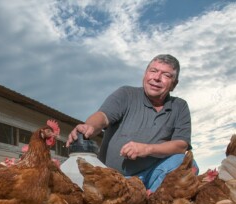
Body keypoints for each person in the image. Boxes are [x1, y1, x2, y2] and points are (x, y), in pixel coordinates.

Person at [66, 54, 198, 192]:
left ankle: (153, 203)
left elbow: (181, 145)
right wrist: (89, 126)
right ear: (145, 74)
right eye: (153, 71)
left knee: (186, 163)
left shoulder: (179, 106)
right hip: (116, 178)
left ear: (174, 84)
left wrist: (147, 149)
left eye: (166, 75)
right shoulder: (126, 94)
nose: (156, 78)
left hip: (153, 177)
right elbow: (103, 116)